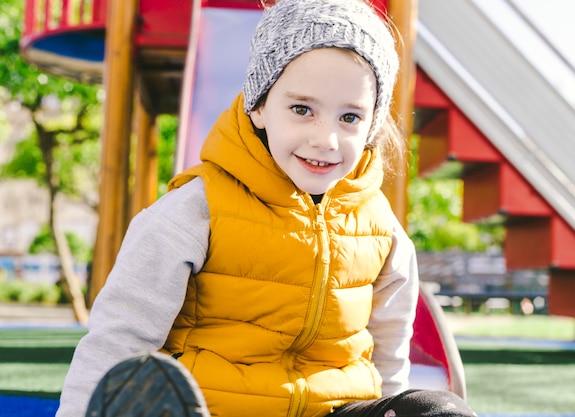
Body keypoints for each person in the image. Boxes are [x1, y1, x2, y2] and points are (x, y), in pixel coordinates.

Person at [57, 0, 478, 416]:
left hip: (332, 409)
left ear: (372, 124)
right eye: (302, 109)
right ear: (259, 105)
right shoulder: (195, 210)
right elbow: (119, 339)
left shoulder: (379, 228)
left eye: (350, 118)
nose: (326, 139)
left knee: (437, 411)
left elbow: (389, 353)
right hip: (216, 407)